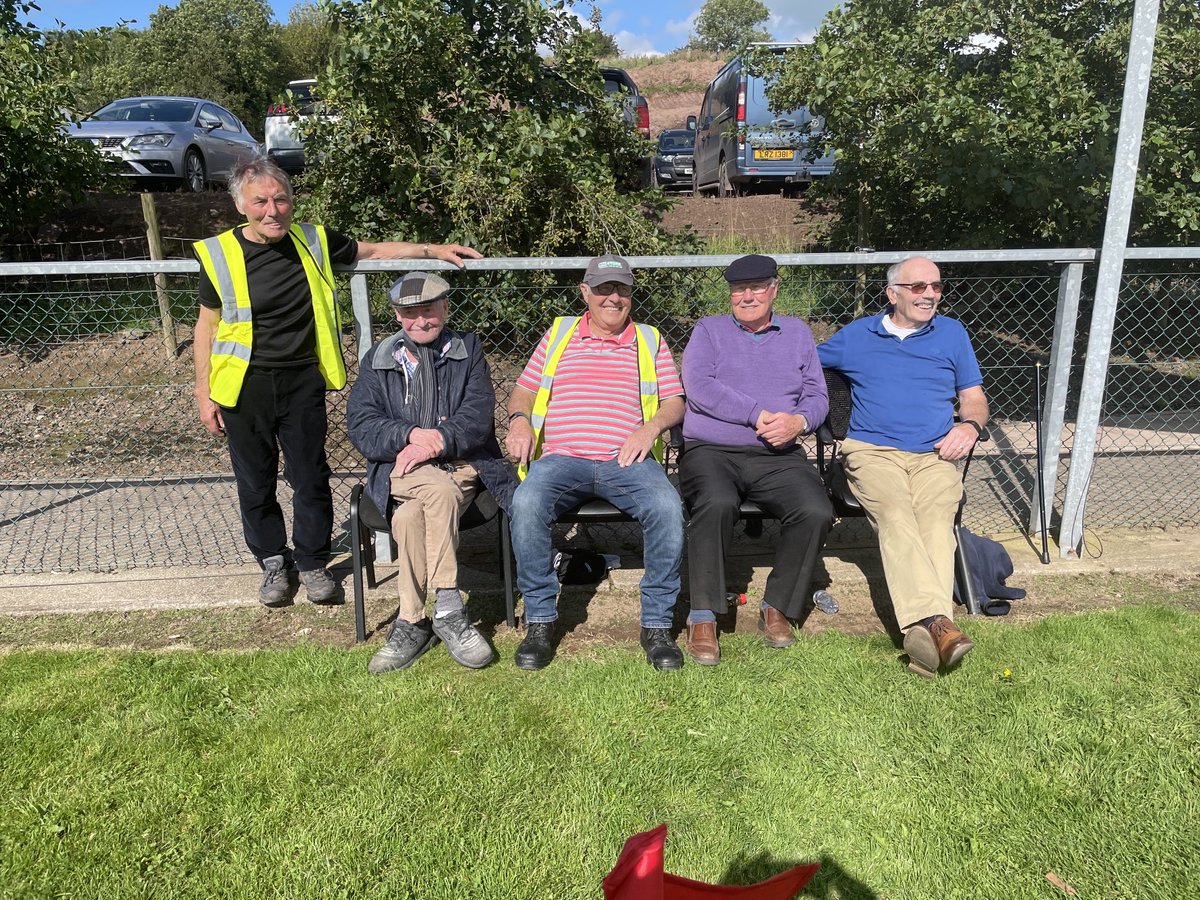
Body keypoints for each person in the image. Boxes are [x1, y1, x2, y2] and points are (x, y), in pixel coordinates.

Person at [192, 158, 481, 607]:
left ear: (292, 201)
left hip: (302, 381)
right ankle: (272, 561)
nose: (273, 210)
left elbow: (373, 252)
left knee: (309, 476)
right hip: (241, 387)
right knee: (254, 480)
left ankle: (311, 563)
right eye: (261, 201)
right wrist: (202, 390)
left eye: (281, 199)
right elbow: (206, 326)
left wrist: (433, 250)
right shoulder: (219, 254)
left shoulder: (313, 240)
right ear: (240, 206)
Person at [505, 254, 686, 671]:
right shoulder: (559, 333)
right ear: (585, 292)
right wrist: (518, 421)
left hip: (628, 458)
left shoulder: (650, 339)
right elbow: (525, 391)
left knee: (667, 508)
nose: (613, 297)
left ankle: (656, 625)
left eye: (622, 289)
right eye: (603, 289)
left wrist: (651, 428)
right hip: (561, 459)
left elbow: (675, 402)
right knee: (527, 504)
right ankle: (541, 621)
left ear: (631, 295)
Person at [817, 256, 989, 677]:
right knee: (895, 516)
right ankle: (939, 622)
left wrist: (969, 426)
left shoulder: (951, 333)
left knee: (934, 521)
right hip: (872, 451)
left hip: (935, 453)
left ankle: (924, 640)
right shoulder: (858, 335)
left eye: (936, 286)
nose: (929, 294)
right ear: (892, 293)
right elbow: (800, 364)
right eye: (918, 287)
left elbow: (974, 397)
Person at [347, 272, 517, 674]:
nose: (420, 320)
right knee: (437, 493)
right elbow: (361, 423)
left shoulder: (468, 349)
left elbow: (477, 417)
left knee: (410, 515)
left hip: (460, 464)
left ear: (444, 307)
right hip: (399, 467)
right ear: (396, 314)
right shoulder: (379, 357)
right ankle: (450, 607)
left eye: (428, 310)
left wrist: (435, 441)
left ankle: (410, 621)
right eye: (410, 313)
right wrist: (408, 434)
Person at [678, 254, 833, 665]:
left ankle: (778, 606)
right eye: (737, 290)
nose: (746, 296)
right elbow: (698, 386)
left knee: (815, 509)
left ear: (774, 289)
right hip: (712, 451)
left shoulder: (798, 333)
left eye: (756, 288)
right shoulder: (709, 330)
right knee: (716, 503)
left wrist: (798, 421)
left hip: (778, 454)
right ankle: (703, 615)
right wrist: (755, 414)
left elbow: (818, 397)